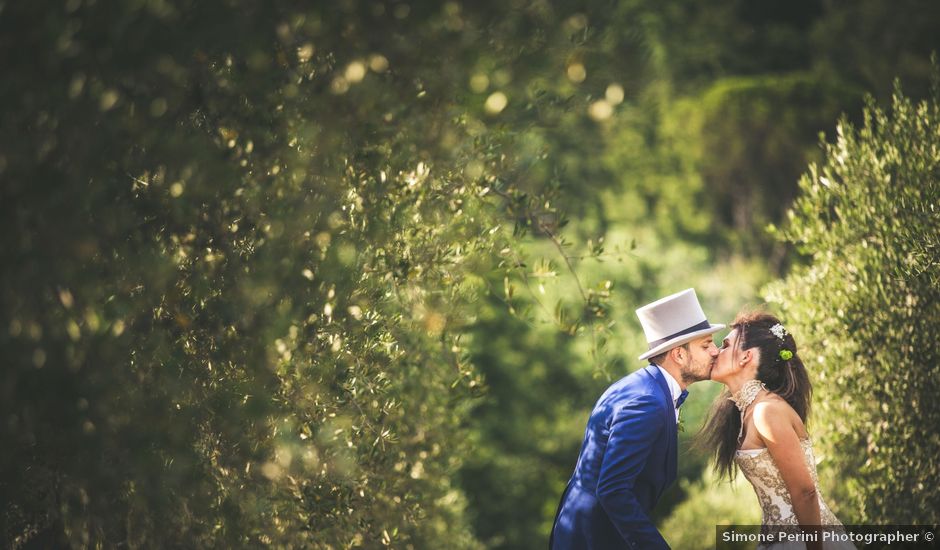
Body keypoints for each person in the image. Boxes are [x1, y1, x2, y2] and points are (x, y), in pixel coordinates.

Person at [550, 288, 723, 549]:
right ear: (678, 354)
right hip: (593, 539)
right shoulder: (647, 403)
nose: (715, 351)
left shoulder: (644, 387)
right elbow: (613, 490)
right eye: (706, 344)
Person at [701, 311, 854, 550]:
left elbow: (805, 492)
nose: (715, 352)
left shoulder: (766, 411)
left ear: (746, 357)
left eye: (725, 345)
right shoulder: (747, 413)